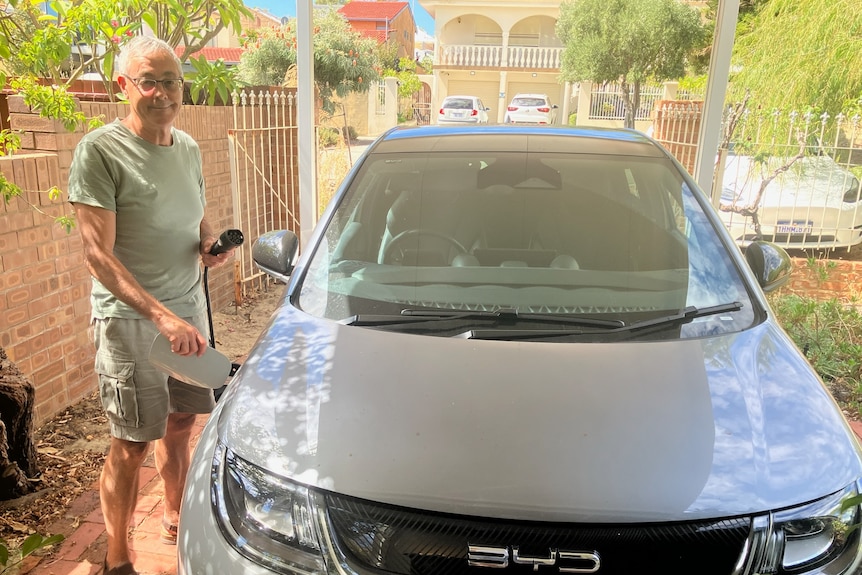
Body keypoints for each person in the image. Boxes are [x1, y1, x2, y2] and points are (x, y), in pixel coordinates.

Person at [67, 35, 234, 575]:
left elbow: (194, 216)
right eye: (149, 80)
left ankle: (172, 511)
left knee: (183, 419)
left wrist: (208, 245)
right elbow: (97, 255)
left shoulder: (186, 146)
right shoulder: (100, 151)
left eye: (171, 80)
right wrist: (160, 315)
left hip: (189, 310)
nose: (162, 92)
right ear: (124, 86)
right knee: (131, 440)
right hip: (132, 322)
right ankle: (118, 554)